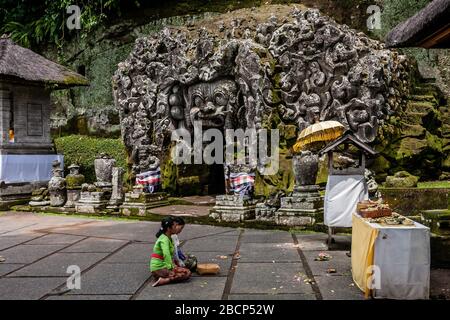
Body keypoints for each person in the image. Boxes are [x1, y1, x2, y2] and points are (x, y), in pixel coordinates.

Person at [150, 216, 191, 287]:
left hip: (165, 266)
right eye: (175, 226)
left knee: (187, 271)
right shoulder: (164, 239)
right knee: (186, 274)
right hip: (158, 268)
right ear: (169, 228)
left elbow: (172, 254)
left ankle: (166, 276)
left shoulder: (169, 237)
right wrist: (172, 268)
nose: (176, 228)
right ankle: (165, 280)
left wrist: (175, 266)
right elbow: (166, 255)